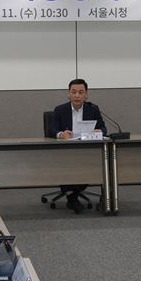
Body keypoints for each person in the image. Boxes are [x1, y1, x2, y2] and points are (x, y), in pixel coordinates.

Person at [47, 78, 107, 213]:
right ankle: (73, 198)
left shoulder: (93, 109)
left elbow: (104, 128)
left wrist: (99, 131)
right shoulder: (60, 110)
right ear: (68, 94)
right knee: (68, 164)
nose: (77, 95)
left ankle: (71, 195)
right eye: (73, 92)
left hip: (87, 151)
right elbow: (51, 130)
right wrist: (61, 134)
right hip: (65, 151)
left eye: (81, 92)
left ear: (86, 94)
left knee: (96, 165)